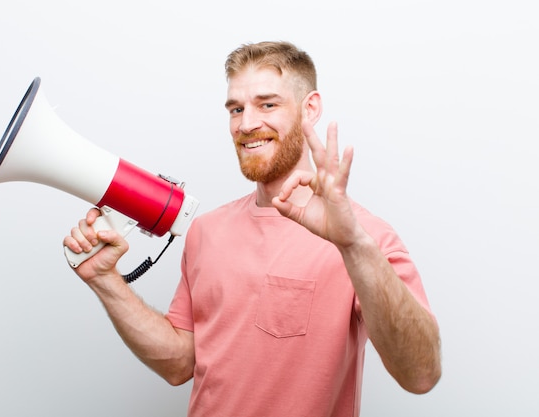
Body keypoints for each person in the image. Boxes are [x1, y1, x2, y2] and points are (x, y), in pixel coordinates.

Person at [63, 41, 441, 417]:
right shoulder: (206, 232)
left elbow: (421, 375)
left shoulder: (365, 238)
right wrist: (105, 279)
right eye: (236, 109)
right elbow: (179, 364)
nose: (246, 124)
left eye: (268, 104)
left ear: (310, 108)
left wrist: (355, 245)